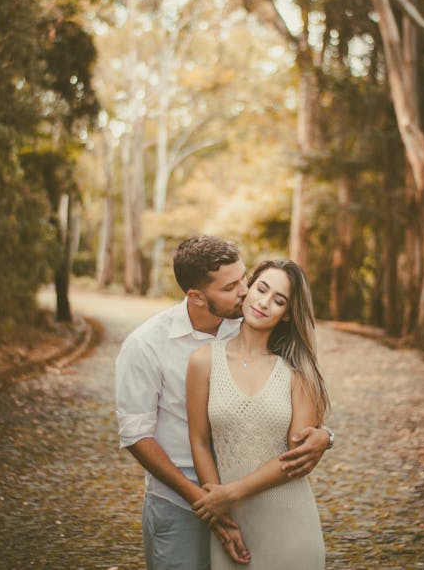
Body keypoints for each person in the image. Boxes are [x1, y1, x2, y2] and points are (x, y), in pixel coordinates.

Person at [115, 237, 332, 570]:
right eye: (232, 287)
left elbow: (292, 389)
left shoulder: (248, 319)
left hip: (252, 498)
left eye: (245, 278)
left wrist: (325, 436)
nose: (245, 291)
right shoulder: (145, 345)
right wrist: (206, 501)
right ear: (197, 296)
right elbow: (135, 435)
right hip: (179, 500)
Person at [186, 258, 330, 569]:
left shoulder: (297, 372)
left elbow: (296, 460)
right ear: (248, 289)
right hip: (230, 522)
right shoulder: (203, 361)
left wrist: (230, 493)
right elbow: (198, 441)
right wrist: (218, 512)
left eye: (279, 300)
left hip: (289, 524)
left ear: (289, 314)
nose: (264, 302)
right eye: (261, 289)